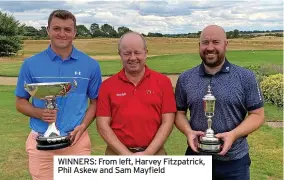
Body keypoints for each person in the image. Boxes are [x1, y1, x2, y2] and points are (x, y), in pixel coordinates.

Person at [15, 10, 102, 180]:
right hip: (41, 143)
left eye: (67, 29)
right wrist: (39, 113)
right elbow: (20, 101)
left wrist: (83, 126)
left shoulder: (91, 65)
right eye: (56, 28)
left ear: (75, 33)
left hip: (76, 142)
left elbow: (95, 102)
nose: (62, 34)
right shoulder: (30, 64)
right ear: (48, 30)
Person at [174, 25, 264, 179]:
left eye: (216, 42)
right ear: (199, 45)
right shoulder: (186, 78)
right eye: (205, 42)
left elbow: (257, 115)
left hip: (234, 162)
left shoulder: (245, 77)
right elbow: (178, 113)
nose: (210, 48)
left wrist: (234, 135)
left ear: (225, 44)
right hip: (196, 159)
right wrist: (188, 132)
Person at [96, 32, 176, 155]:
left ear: (145, 53)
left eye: (137, 52)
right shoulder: (107, 86)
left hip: (155, 153)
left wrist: (147, 154)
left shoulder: (163, 82)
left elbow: (168, 121)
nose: (133, 58)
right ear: (120, 55)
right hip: (116, 154)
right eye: (127, 53)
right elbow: (102, 125)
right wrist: (127, 156)